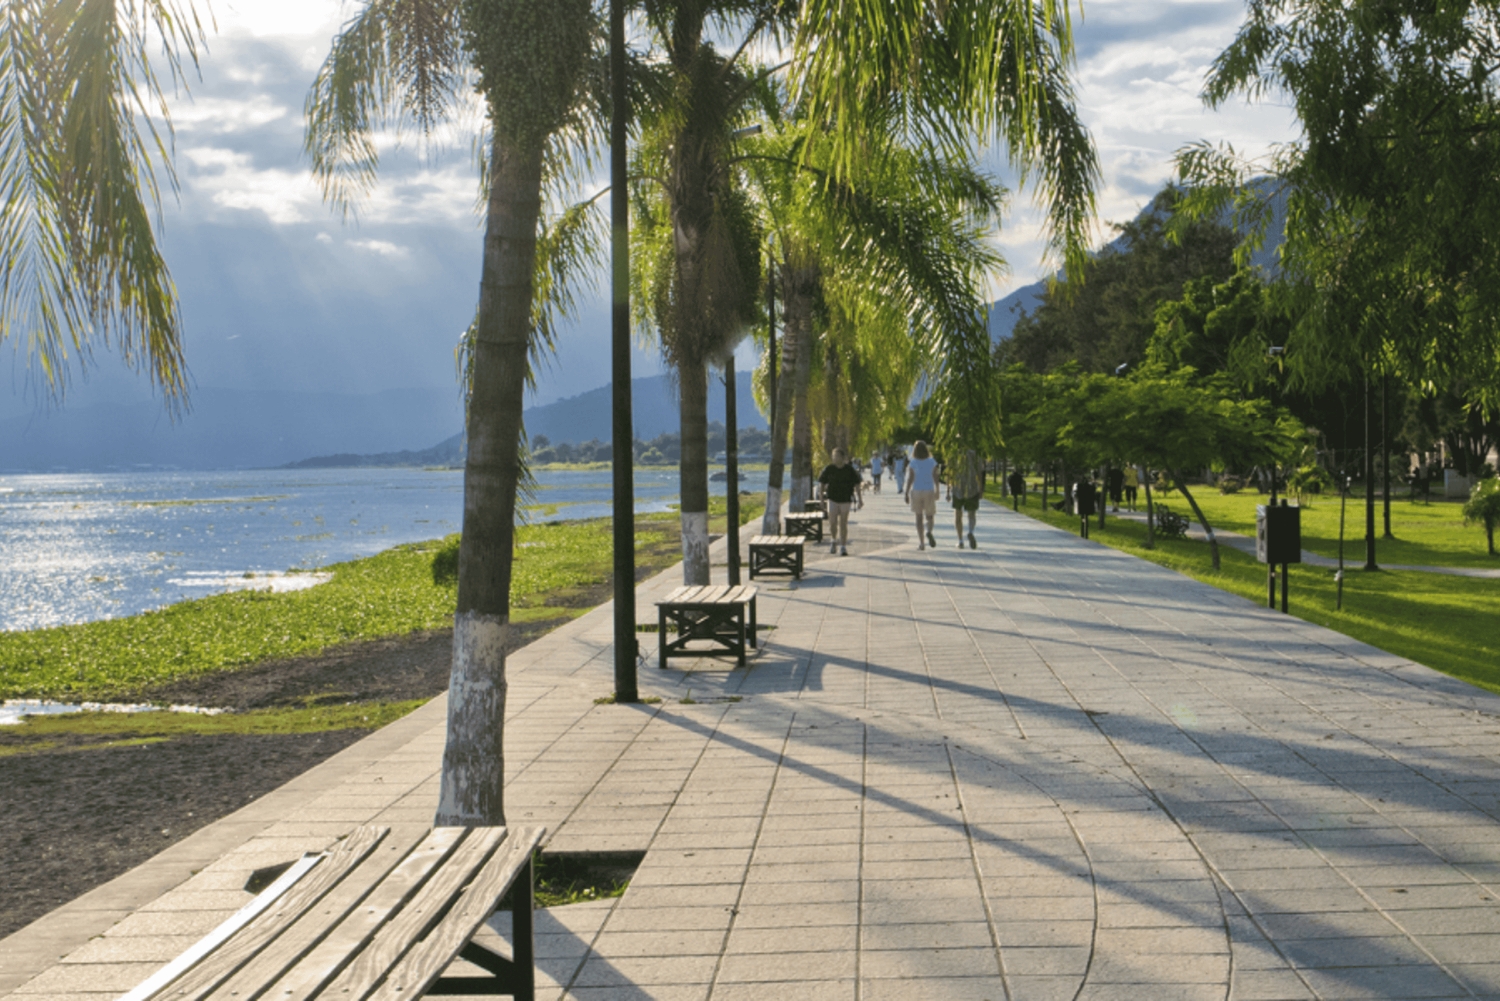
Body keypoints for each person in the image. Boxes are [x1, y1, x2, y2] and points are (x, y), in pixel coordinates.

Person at [817, 447, 862, 556]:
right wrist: (821, 500)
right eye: (833, 456)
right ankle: (833, 540)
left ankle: (843, 546)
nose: (835, 458)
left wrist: (860, 499)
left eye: (837, 456)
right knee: (832, 523)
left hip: (845, 499)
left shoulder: (849, 470)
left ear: (843, 457)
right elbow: (822, 484)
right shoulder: (829, 469)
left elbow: (857, 484)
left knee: (843, 523)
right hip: (832, 499)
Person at [904, 440, 941, 550]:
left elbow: (910, 478)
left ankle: (921, 543)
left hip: (917, 490)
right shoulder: (931, 461)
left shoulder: (913, 462)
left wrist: (906, 492)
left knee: (918, 517)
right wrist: (937, 489)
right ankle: (929, 531)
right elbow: (936, 476)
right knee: (930, 516)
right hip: (928, 490)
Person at [948, 449, 984, 548]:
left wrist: (948, 491)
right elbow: (979, 473)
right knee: (971, 514)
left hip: (958, 488)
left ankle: (960, 541)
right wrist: (981, 489)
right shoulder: (976, 455)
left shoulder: (954, 454)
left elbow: (950, 474)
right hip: (972, 488)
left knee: (958, 515)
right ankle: (971, 531)